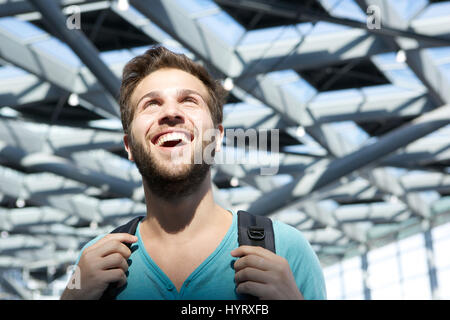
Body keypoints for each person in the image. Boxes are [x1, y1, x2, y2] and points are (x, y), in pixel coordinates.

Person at [60, 46, 326, 300]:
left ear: (217, 138)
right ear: (129, 146)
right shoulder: (95, 262)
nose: (171, 113)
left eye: (189, 100)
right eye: (151, 104)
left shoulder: (285, 249)